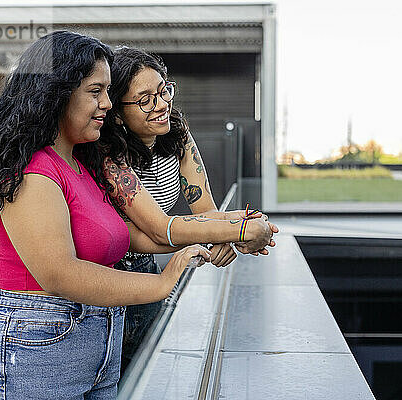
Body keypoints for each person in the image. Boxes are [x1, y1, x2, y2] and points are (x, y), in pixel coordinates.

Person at [0, 31, 217, 400]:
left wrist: (217, 236)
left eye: (108, 91)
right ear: (56, 93)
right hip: (35, 354)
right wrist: (162, 282)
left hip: (97, 348)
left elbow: (132, 235)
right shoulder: (31, 170)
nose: (108, 104)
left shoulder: (80, 163)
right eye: (96, 91)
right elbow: (59, 273)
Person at [98, 47, 279, 374]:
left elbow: (205, 210)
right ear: (118, 113)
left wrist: (237, 230)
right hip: (109, 284)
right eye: (145, 99)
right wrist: (239, 231)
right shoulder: (109, 155)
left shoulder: (176, 134)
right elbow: (159, 228)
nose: (162, 105)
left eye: (164, 90)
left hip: (148, 271)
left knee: (148, 373)